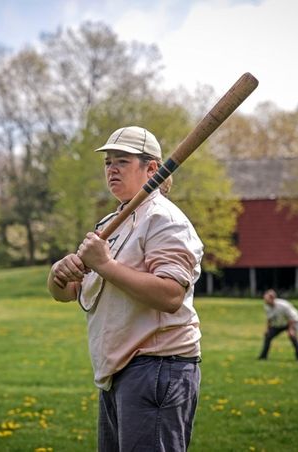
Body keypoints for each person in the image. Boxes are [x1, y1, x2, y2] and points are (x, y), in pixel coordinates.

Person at [47, 126, 204, 451]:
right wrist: (58, 275)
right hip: (118, 370)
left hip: (158, 366)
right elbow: (73, 292)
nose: (112, 169)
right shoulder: (109, 225)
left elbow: (171, 294)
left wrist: (105, 265)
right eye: (108, 162)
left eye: (122, 161)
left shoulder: (164, 220)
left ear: (152, 168)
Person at [257, 289, 298, 363]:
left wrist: (291, 330)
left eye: (266, 299)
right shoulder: (267, 306)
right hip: (279, 323)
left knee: (293, 337)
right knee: (268, 336)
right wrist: (267, 329)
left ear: (272, 298)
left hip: (293, 321)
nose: (265, 301)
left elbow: (291, 318)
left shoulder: (283, 305)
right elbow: (269, 319)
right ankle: (263, 357)